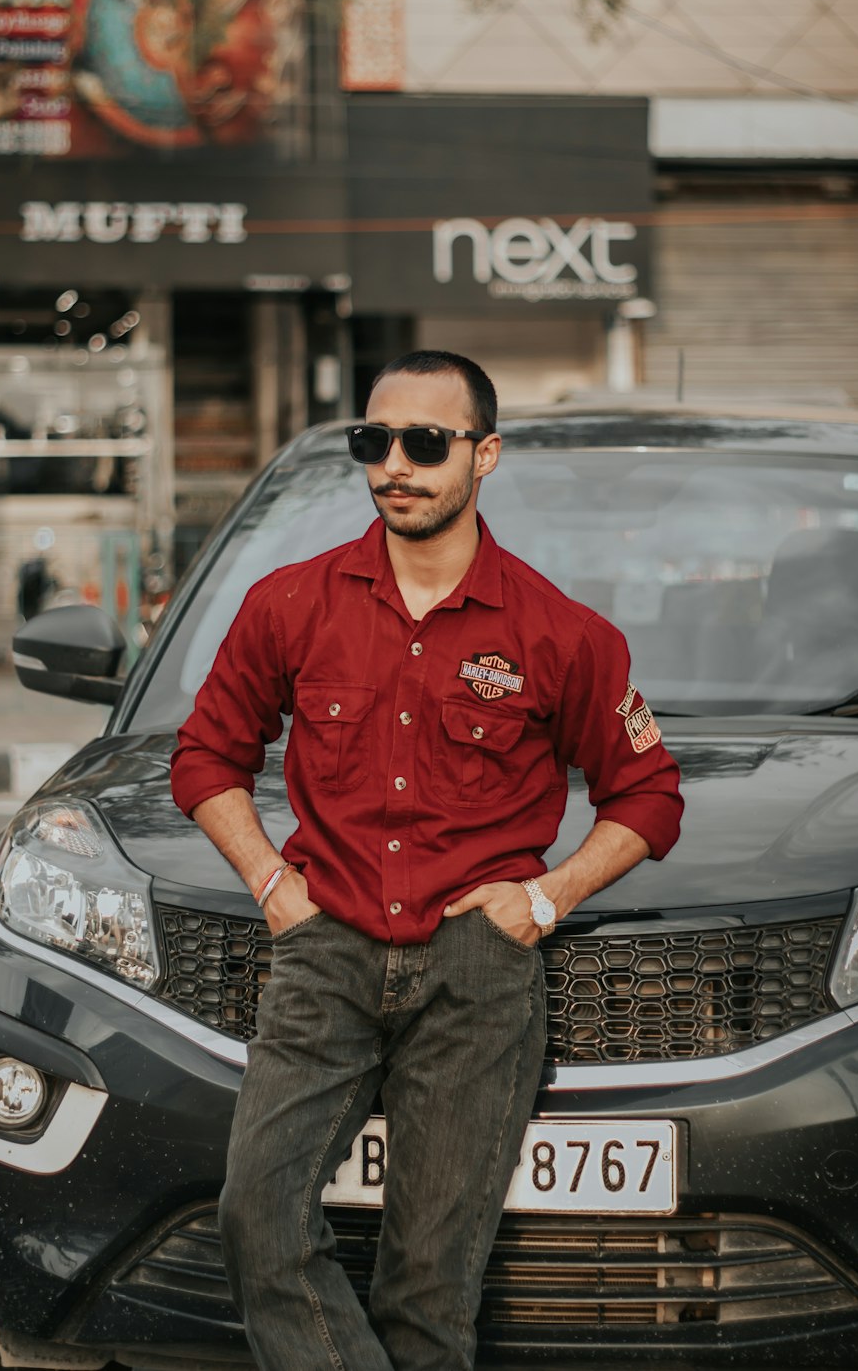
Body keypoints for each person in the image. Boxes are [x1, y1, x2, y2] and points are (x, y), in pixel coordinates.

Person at [170, 350, 683, 1371]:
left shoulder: (556, 634)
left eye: (425, 443)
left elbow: (649, 795)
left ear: (484, 455)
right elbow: (204, 758)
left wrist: (546, 896)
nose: (395, 465)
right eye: (375, 441)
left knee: (428, 1292)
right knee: (257, 1219)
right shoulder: (291, 605)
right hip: (325, 955)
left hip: (477, 975)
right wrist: (272, 882)